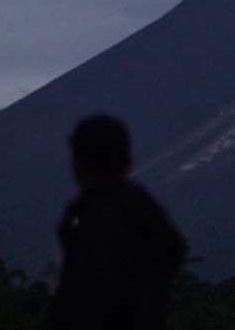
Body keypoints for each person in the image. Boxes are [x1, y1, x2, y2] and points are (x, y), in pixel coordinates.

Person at [50, 114, 187, 330]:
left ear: (77, 164)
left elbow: (82, 303)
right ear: (129, 161)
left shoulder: (94, 220)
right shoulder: (147, 214)